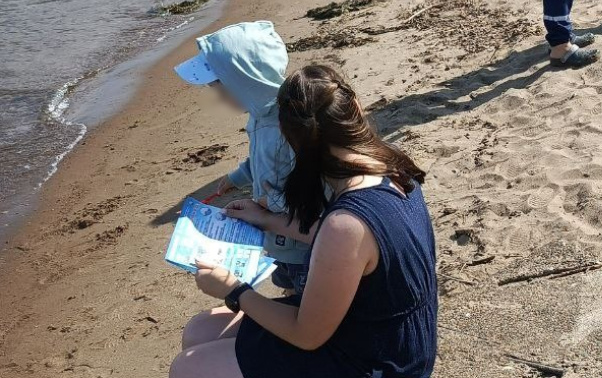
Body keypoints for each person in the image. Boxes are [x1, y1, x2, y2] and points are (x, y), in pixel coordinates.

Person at [169, 65, 438, 378]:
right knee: (201, 329)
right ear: (354, 109)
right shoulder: (387, 164)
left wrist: (235, 290)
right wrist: (268, 220)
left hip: (380, 361)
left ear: (292, 140)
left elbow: (307, 336)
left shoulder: (346, 223)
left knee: (189, 367)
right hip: (384, 332)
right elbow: (347, 249)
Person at [174, 21, 311, 294]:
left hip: (300, 244)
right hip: (278, 240)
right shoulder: (261, 116)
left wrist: (263, 204)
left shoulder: (288, 129)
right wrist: (237, 177)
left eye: (221, 90)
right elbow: (259, 160)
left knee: (302, 289)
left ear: (245, 83)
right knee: (286, 281)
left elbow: (310, 194)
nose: (219, 99)